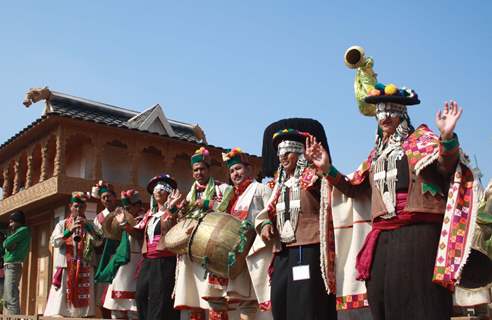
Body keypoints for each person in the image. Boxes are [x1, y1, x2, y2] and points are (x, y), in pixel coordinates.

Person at [305, 82, 479, 319]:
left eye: (391, 110)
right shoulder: (376, 154)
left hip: (417, 235)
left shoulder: (422, 141)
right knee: (381, 298)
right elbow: (355, 188)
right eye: (379, 111)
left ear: (402, 113)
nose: (384, 116)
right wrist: (327, 168)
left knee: (420, 302)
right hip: (383, 237)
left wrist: (446, 136)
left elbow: (445, 165)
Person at [256, 120, 338, 320]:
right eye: (280, 154)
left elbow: (333, 192)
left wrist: (322, 168)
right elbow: (265, 212)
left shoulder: (313, 177)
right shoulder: (277, 185)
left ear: (299, 153)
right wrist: (265, 224)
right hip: (282, 251)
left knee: (305, 302)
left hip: (307, 247)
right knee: (280, 297)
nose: (282, 158)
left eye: (287, 153)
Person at [200, 148, 273, 320]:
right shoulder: (232, 195)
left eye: (238, 169)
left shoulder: (261, 189)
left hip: (252, 252)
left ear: (249, 170)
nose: (235, 173)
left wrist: (265, 225)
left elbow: (271, 213)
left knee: (248, 300)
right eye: (232, 171)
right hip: (232, 252)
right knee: (223, 298)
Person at [174, 147, 232, 320]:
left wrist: (205, 203)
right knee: (194, 295)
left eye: (202, 169)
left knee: (214, 295)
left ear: (209, 169)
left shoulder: (223, 189)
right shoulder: (189, 196)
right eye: (195, 170)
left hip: (211, 246)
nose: (199, 172)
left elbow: (225, 210)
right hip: (191, 250)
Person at [44, 192, 103, 317]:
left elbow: (98, 242)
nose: (78, 209)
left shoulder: (91, 224)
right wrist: (69, 231)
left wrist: (88, 227)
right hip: (66, 265)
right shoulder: (62, 224)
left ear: (85, 208)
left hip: (85, 264)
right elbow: (54, 242)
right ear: (70, 206)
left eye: (81, 207)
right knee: (62, 299)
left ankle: (83, 316)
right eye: (75, 206)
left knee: (86, 299)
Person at [135, 174, 183, 320]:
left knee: (160, 299)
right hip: (148, 260)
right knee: (140, 295)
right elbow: (137, 232)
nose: (157, 191)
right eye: (155, 189)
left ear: (169, 193)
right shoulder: (150, 214)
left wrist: (171, 208)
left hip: (164, 260)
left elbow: (172, 224)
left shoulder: (176, 210)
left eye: (162, 189)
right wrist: (124, 224)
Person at [97, 189, 146, 320]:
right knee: (116, 308)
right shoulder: (122, 219)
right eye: (125, 206)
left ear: (138, 205)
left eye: (129, 206)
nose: (126, 209)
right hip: (121, 262)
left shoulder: (145, 219)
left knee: (133, 309)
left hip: (136, 262)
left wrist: (126, 224)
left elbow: (139, 236)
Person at [91, 180, 119, 317]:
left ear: (115, 197)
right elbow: (96, 239)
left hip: (119, 255)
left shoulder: (122, 212)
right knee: (102, 292)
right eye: (103, 197)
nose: (107, 199)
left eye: (109, 196)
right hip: (104, 256)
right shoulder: (99, 218)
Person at [2, 211, 31, 315]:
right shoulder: (16, 232)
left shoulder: (23, 230)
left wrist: (8, 243)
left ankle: (15, 318)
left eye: (12, 222)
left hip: (13, 265)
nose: (10, 225)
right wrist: (8, 243)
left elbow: (6, 244)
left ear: (18, 221)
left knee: (11, 296)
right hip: (9, 266)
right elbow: (6, 244)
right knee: (6, 298)